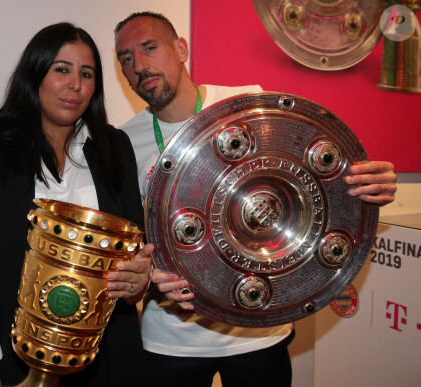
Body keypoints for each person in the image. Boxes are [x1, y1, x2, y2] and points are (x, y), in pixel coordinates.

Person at [114, 11, 397, 387]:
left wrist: (367, 188)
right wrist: (148, 275)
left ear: (180, 49)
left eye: (149, 48)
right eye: (126, 59)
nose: (139, 65)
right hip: (172, 342)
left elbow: (314, 190)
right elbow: (129, 243)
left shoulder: (246, 104)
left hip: (259, 334)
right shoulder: (123, 143)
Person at [0, 22, 152, 387]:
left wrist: (139, 280)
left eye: (86, 74)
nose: (75, 84)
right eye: (61, 69)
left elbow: (135, 249)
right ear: (35, 73)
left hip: (110, 359)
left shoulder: (115, 147)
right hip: (15, 359)